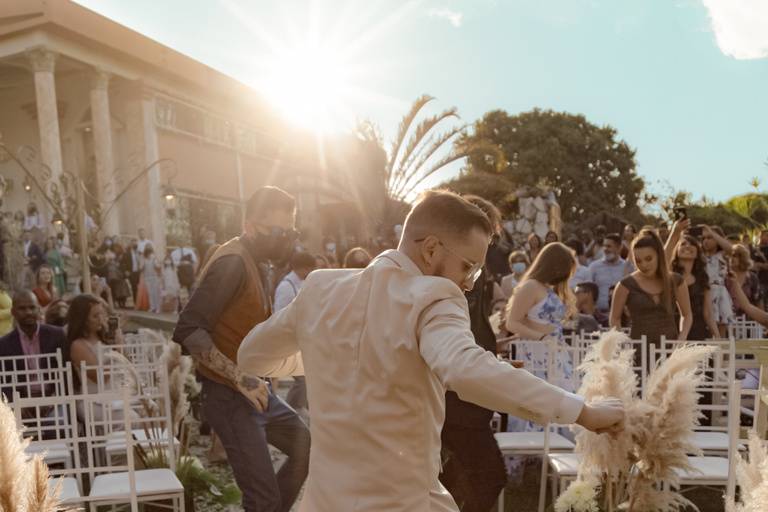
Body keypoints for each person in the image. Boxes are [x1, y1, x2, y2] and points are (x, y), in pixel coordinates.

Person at [237, 189, 624, 511]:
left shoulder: (322, 288)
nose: (470, 284)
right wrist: (584, 412)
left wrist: (332, 355)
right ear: (432, 248)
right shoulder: (436, 295)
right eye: (469, 267)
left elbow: (252, 355)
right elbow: (464, 368)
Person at [173, 186, 310, 512]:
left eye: (290, 231)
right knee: (262, 499)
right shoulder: (232, 262)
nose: (284, 239)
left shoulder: (254, 259)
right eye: (277, 231)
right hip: (230, 397)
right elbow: (189, 328)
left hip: (257, 392)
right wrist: (240, 379)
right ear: (250, 226)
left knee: (309, 449)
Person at [439, 194, 508, 512]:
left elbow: (476, 330)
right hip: (459, 397)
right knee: (490, 475)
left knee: (455, 479)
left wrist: (493, 358)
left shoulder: (476, 273)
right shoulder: (457, 274)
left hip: (472, 392)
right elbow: (455, 336)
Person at [504, 242, 577, 395]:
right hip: (537, 352)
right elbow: (512, 323)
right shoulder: (530, 286)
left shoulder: (548, 288)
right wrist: (542, 337)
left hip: (555, 351)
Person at [610, 229, 692, 358]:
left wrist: (682, 338)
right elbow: (614, 318)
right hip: (639, 350)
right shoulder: (625, 285)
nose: (644, 265)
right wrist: (623, 344)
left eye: (648, 259)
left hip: (671, 348)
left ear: (659, 255)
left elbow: (687, 314)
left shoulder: (676, 281)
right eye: (638, 260)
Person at [0, 290, 66, 400]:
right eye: (22, 308)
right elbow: (3, 381)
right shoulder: (4, 344)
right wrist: (17, 403)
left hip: (56, 398)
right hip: (21, 402)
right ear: (13, 312)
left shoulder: (57, 335)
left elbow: (66, 371)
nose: (28, 312)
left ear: (39, 310)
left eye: (32, 307)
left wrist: (56, 398)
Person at [274, 251, 317, 414]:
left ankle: (293, 408)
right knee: (302, 378)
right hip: (287, 340)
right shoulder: (286, 287)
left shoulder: (299, 283)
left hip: (299, 339)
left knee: (304, 377)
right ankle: (292, 408)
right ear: (302, 268)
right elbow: (279, 314)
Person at [670, 235, 719, 340]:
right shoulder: (669, 277)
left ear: (697, 253)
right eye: (683, 244)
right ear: (676, 251)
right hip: (673, 332)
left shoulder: (702, 278)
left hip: (698, 332)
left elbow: (708, 313)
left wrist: (717, 336)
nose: (687, 246)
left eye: (692, 244)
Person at [588, 233, 631, 314]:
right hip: (599, 314)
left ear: (619, 248)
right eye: (604, 246)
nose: (605, 249)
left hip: (622, 314)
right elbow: (588, 291)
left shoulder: (628, 267)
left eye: (609, 246)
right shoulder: (594, 267)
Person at [729, 244, 761, 318]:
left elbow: (758, 300)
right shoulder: (726, 277)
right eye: (730, 256)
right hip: (728, 320)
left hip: (748, 321)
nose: (732, 258)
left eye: (735, 256)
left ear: (742, 258)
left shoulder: (752, 278)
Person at [140, 244, 163, 314]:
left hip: (155, 277)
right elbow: (141, 268)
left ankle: (158, 308)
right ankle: (152, 307)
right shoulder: (143, 258)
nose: (148, 249)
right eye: (147, 247)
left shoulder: (154, 257)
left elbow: (158, 266)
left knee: (156, 293)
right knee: (150, 293)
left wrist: (158, 264)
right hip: (147, 277)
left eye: (149, 247)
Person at [121, 238, 142, 305]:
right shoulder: (127, 253)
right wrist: (126, 271)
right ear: (131, 244)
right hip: (131, 272)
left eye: (135, 243)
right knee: (134, 287)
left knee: (141, 288)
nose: (134, 244)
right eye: (133, 243)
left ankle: (142, 302)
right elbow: (123, 263)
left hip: (140, 272)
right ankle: (136, 303)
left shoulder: (139, 252)